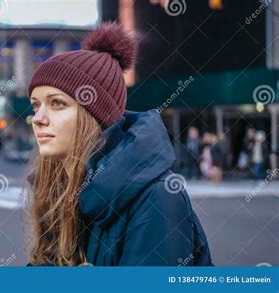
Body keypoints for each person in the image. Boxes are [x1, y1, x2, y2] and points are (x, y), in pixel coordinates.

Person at [24, 22, 212, 266]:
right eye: (36, 105)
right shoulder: (59, 188)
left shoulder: (158, 198)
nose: (38, 119)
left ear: (95, 116)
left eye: (57, 103)